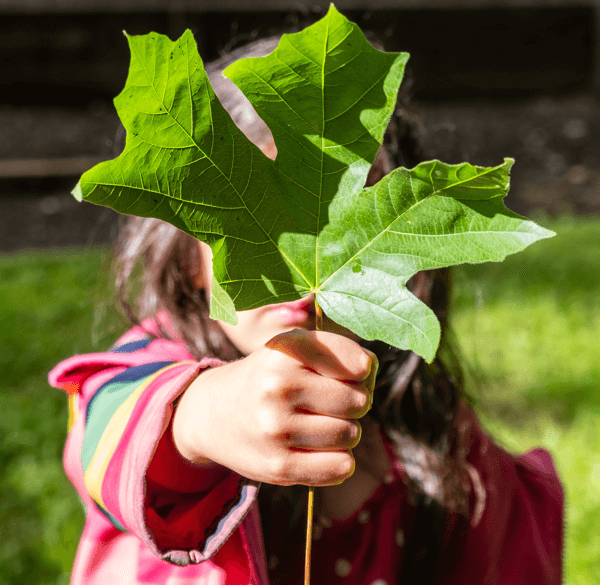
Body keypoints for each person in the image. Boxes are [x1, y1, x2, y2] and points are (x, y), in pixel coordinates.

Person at [49, 36, 564, 585]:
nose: (299, 250)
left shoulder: (440, 440)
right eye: (256, 226)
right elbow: (107, 438)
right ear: (191, 260)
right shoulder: (147, 371)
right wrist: (202, 419)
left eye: (341, 220)